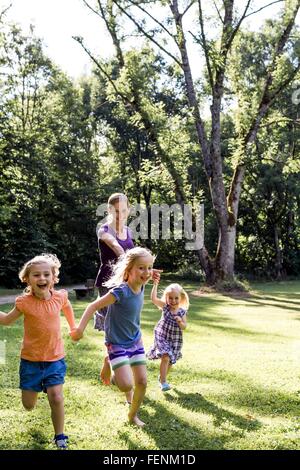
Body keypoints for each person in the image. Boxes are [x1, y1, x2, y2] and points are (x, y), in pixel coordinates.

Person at [71, 247, 155, 427]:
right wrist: (79, 329)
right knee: (126, 385)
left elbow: (147, 275)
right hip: (116, 343)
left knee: (142, 381)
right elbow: (92, 307)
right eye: (141, 268)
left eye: (149, 267)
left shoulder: (141, 286)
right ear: (128, 270)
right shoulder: (120, 291)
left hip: (135, 340)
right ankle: (109, 362)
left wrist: (153, 277)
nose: (146, 272)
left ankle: (133, 416)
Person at [0, 254, 76, 449]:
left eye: (46, 274)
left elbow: (67, 308)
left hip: (55, 358)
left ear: (53, 277)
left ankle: (60, 436)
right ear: (27, 279)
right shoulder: (24, 302)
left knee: (56, 397)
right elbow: (7, 320)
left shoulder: (60, 297)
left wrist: (73, 327)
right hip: (30, 361)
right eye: (36, 275)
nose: (42, 278)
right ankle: (37, 390)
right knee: (28, 405)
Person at [147, 282, 189, 392]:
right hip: (162, 335)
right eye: (170, 298)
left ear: (181, 298)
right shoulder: (165, 307)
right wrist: (155, 284)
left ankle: (162, 377)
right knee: (165, 357)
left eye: (176, 298)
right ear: (166, 297)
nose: (173, 301)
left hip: (175, 339)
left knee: (170, 361)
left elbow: (184, 327)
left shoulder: (182, 312)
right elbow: (154, 299)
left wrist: (180, 322)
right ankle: (163, 382)